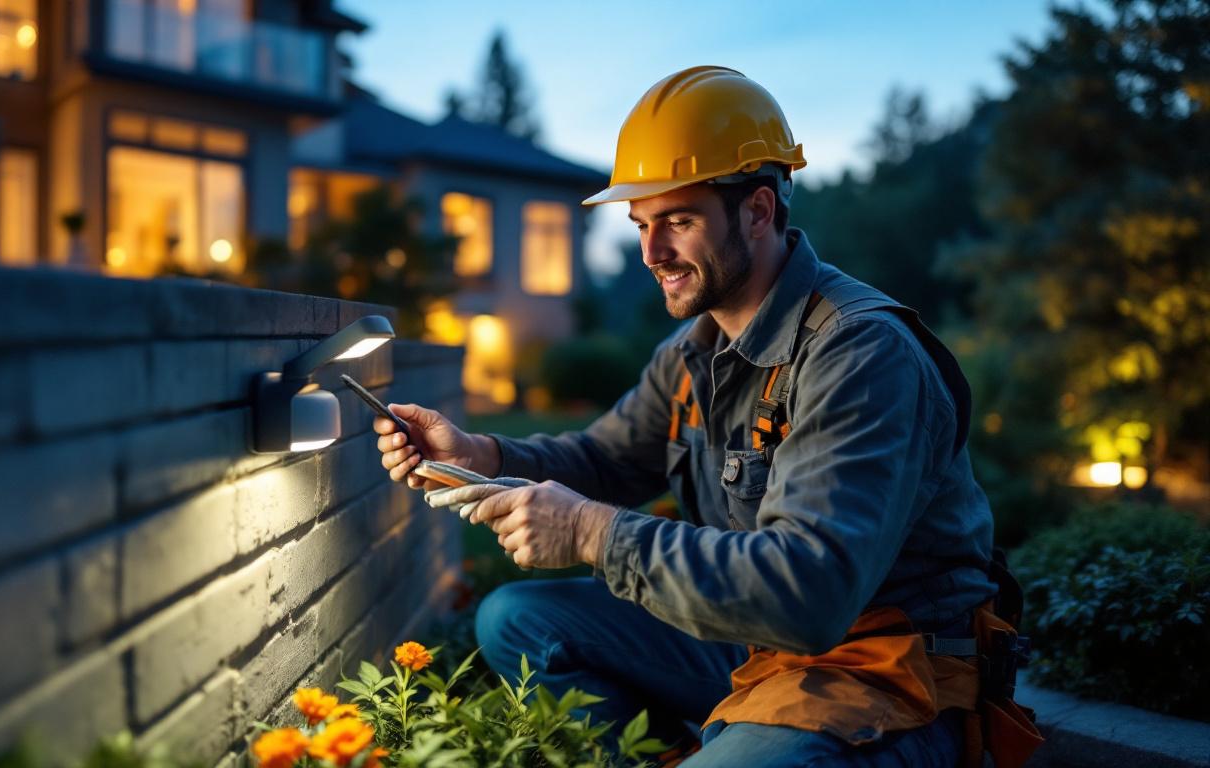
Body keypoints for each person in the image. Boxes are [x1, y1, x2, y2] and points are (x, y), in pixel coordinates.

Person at [374, 66, 1024, 767]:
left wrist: (593, 531)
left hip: (884, 675)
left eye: (678, 222)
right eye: (642, 225)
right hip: (758, 648)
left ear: (759, 211)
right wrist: (482, 454)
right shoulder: (694, 351)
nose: (653, 254)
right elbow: (605, 461)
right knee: (518, 619)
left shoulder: (860, 353)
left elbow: (809, 594)